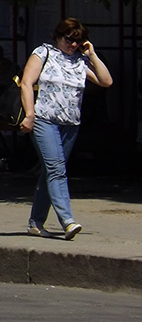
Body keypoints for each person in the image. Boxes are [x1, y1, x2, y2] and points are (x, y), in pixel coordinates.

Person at [19, 18, 113, 240]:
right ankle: (67, 221)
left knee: (49, 172)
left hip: (70, 124)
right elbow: (26, 83)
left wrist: (92, 55)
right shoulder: (44, 53)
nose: (72, 45)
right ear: (58, 36)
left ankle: (35, 223)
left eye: (78, 41)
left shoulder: (80, 61)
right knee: (57, 169)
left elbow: (106, 81)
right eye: (69, 39)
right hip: (45, 120)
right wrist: (30, 115)